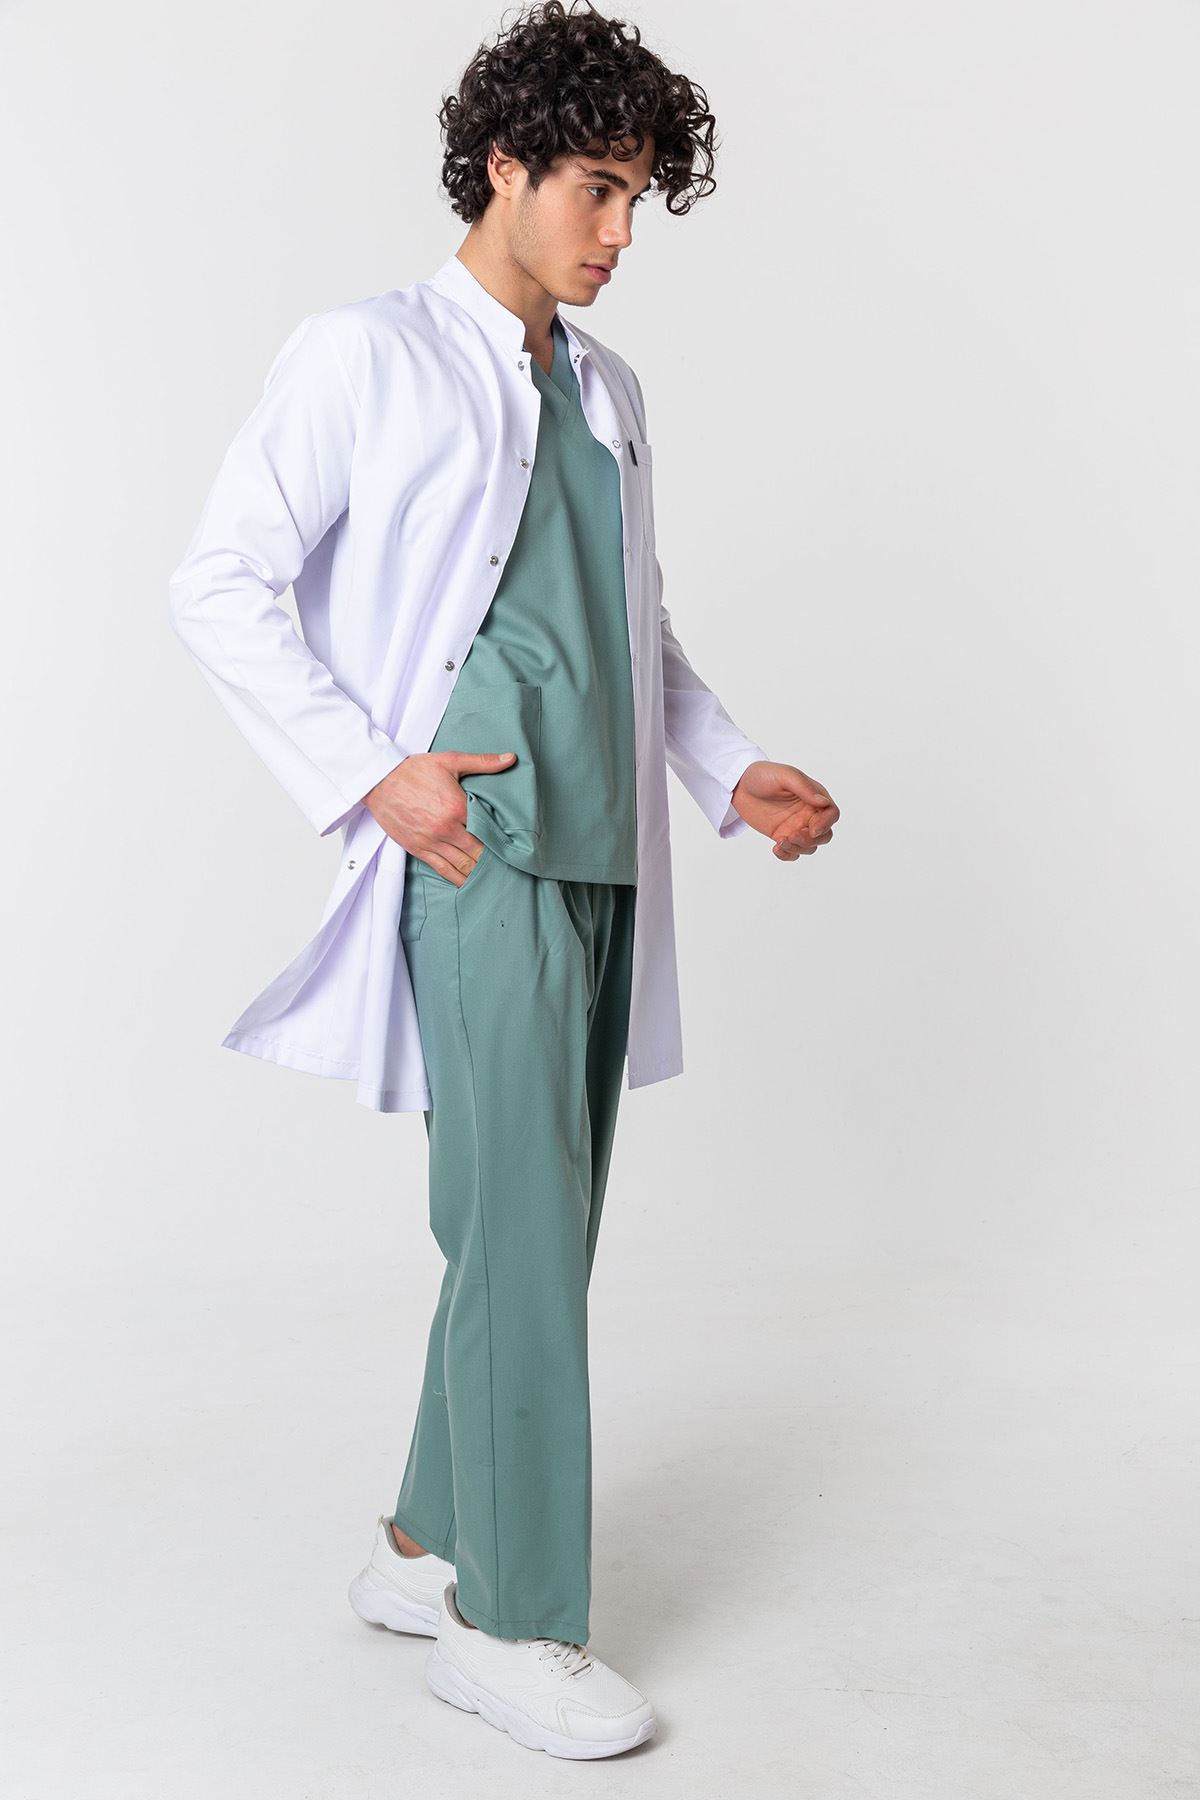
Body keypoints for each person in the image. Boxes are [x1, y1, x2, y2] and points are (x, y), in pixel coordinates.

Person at [168, 0, 838, 1762]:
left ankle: (420, 1545)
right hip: (479, 851)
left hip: (606, 852)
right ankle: (514, 1617)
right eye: (597, 189)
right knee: (525, 1226)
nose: (621, 232)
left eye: (639, 198)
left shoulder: (609, 391)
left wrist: (725, 769)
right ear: (504, 166)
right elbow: (217, 580)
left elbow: (629, 623)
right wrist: (366, 773)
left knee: (541, 1220)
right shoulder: (365, 355)